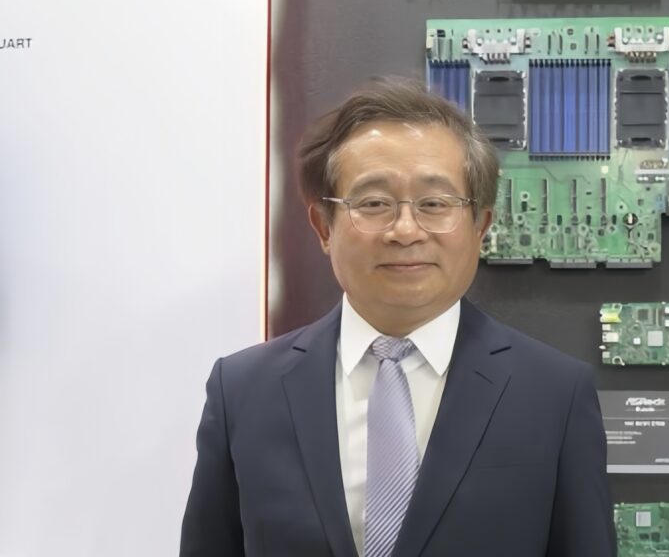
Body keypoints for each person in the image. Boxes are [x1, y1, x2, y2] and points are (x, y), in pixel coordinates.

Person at [180, 77, 616, 557]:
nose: (406, 230)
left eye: (435, 204)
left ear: (480, 226)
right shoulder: (243, 390)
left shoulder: (554, 395)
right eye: (373, 204)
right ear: (323, 227)